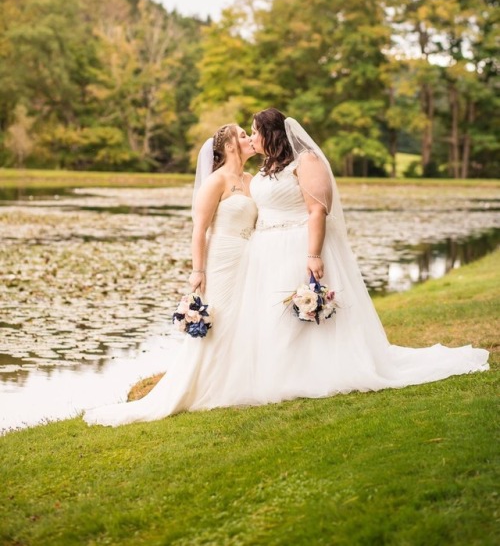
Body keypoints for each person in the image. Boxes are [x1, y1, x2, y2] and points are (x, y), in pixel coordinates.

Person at [221, 108, 489, 406]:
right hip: (266, 250)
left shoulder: (306, 161)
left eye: (256, 131)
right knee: (272, 314)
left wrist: (313, 255)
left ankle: (312, 370)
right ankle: (276, 371)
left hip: (297, 243)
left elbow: (317, 209)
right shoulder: (265, 167)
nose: (252, 136)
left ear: (271, 133)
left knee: (300, 314)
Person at [83, 124, 257, 425]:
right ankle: (208, 386)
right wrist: (198, 271)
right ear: (229, 146)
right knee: (221, 320)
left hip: (249, 259)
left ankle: (243, 379)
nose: (249, 139)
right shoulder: (215, 182)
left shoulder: (252, 180)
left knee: (244, 318)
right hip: (221, 261)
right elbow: (199, 231)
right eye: (242, 135)